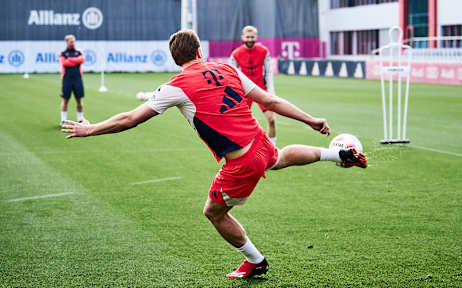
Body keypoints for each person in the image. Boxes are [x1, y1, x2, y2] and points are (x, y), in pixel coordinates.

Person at [61, 30, 367, 279]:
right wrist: (310, 119)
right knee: (279, 158)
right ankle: (336, 155)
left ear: (175, 59)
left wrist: (91, 129)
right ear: (199, 53)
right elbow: (269, 100)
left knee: (213, 212)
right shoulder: (226, 68)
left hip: (242, 161)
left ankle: (256, 261)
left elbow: (130, 119)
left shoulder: (175, 86)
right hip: (259, 141)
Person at [230, 26, 277, 145]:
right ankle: (241, 146)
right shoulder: (235, 54)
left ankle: (272, 148)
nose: (250, 39)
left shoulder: (264, 51)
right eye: (247, 37)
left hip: (261, 89)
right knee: (240, 123)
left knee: (271, 120)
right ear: (242, 37)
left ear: (256, 37)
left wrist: (271, 91)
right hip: (245, 91)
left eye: (252, 37)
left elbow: (269, 72)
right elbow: (233, 75)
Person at [59, 34, 85, 126]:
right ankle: (63, 120)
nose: (72, 43)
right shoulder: (63, 53)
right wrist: (75, 60)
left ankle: (80, 120)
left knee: (79, 101)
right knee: (65, 100)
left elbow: (82, 59)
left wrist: (70, 60)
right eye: (71, 42)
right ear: (67, 42)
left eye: (73, 41)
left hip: (77, 79)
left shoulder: (78, 52)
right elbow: (64, 63)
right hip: (67, 79)